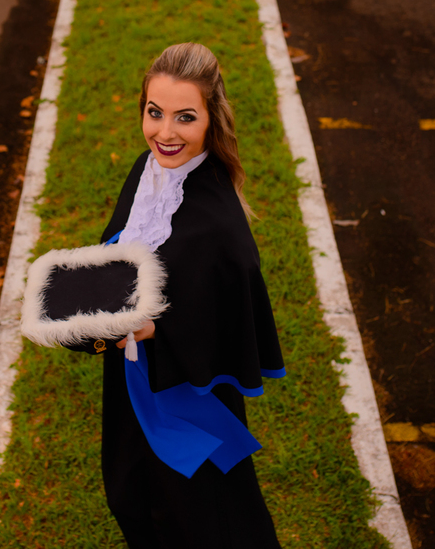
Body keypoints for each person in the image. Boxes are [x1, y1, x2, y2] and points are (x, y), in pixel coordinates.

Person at [90, 42, 286, 548]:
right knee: (130, 493)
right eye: (154, 113)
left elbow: (232, 303)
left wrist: (161, 327)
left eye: (184, 117)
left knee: (201, 513)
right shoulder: (146, 169)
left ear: (209, 121)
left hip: (185, 387)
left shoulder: (218, 221)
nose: (165, 132)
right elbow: (119, 243)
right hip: (132, 372)